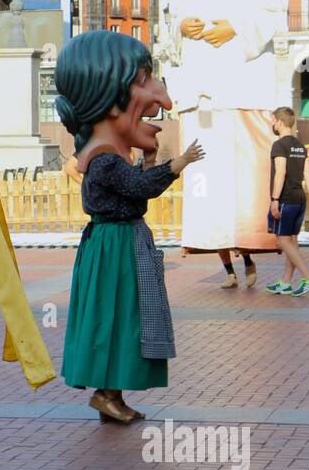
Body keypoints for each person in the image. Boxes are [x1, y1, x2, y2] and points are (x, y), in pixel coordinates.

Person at [56, 30, 204, 424]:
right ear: (106, 97)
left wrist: (154, 159)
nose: (164, 100)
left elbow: (136, 190)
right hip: (115, 244)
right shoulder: (104, 159)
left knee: (125, 318)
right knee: (122, 317)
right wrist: (177, 163)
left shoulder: (105, 158)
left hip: (118, 241)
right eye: (142, 80)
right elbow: (139, 188)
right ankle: (107, 394)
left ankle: (112, 396)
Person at [162, 0, 286, 284]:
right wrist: (183, 26)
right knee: (207, 163)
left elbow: (272, 7)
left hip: (243, 73)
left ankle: (254, 239)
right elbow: (175, 9)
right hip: (202, 77)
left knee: (249, 163)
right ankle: (215, 239)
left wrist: (235, 26)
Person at [265, 106, 309, 296]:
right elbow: (308, 175)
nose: (272, 125)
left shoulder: (279, 145)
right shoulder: (300, 146)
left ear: (279, 122)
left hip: (286, 199)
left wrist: (274, 199)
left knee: (283, 241)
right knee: (292, 241)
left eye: (273, 121)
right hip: (300, 199)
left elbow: (280, 173)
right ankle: (286, 282)